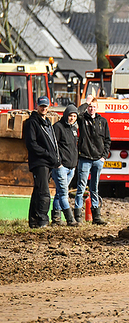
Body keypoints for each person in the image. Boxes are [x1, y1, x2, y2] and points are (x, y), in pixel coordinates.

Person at [24, 96, 61, 228]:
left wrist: (55, 158)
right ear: (36, 106)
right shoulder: (32, 123)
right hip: (39, 162)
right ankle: (43, 220)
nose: (44, 108)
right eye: (41, 106)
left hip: (47, 162)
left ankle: (33, 221)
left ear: (49, 107)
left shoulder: (47, 123)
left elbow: (53, 142)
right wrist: (47, 154)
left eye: (45, 106)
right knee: (44, 191)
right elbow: (31, 144)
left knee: (38, 190)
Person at [74, 99, 111, 225]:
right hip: (85, 158)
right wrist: (86, 102)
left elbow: (107, 140)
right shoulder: (82, 120)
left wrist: (104, 157)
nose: (91, 109)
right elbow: (77, 112)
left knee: (94, 188)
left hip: (98, 160)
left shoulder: (103, 122)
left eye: (94, 106)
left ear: (97, 108)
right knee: (81, 187)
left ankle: (96, 217)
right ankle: (78, 216)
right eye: (89, 106)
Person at [51, 104, 79, 226]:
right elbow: (53, 147)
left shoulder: (74, 129)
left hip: (71, 167)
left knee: (59, 192)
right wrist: (58, 164)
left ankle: (56, 219)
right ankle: (70, 219)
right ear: (65, 115)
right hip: (61, 167)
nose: (72, 118)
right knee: (63, 193)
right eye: (70, 115)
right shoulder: (58, 127)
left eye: (74, 116)